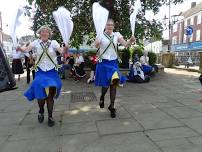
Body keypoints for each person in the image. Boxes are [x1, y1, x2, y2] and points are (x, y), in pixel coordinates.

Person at [17, 25, 68, 127]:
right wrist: (20, 49)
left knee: (51, 93)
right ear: (39, 34)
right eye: (42, 32)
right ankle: (41, 110)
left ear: (49, 34)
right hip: (40, 72)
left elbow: (61, 51)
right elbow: (26, 49)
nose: (44, 33)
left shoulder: (53, 43)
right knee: (40, 92)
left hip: (52, 72)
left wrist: (65, 48)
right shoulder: (35, 42)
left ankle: (50, 116)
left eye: (46, 32)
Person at [95, 18, 135, 118]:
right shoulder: (100, 34)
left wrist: (131, 40)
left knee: (114, 82)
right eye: (108, 24)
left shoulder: (117, 35)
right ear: (105, 26)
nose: (110, 26)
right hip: (103, 63)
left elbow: (125, 44)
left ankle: (112, 107)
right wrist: (97, 43)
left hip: (113, 63)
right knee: (106, 85)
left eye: (111, 25)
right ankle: (102, 96)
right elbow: (95, 46)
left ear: (113, 26)